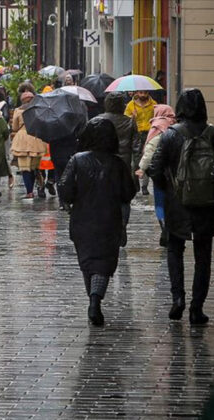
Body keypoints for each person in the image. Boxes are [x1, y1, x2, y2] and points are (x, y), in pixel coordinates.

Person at [148, 88, 214, 324]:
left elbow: (154, 168)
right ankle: (196, 308)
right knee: (203, 255)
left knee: (174, 248)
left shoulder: (171, 134)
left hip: (177, 202)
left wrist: (169, 188)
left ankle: (177, 298)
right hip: (206, 202)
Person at [58, 117, 136, 326]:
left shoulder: (77, 159)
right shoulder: (117, 163)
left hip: (82, 219)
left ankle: (93, 299)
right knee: (103, 263)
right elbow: (128, 192)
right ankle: (95, 300)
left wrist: (74, 197)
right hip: (109, 220)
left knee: (87, 262)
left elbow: (65, 189)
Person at [99, 91, 139, 244]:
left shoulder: (98, 120)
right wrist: (137, 170)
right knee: (124, 199)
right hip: (124, 165)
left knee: (104, 198)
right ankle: (122, 225)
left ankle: (108, 227)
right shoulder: (130, 122)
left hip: (102, 166)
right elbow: (136, 148)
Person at [137, 105, 176, 246]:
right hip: (174, 172)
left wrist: (142, 168)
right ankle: (172, 227)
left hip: (159, 172)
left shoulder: (157, 126)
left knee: (159, 201)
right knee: (172, 200)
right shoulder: (175, 126)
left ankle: (164, 226)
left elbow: (150, 150)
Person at [10, 92, 47, 199]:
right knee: (35, 167)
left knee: (25, 168)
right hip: (36, 138)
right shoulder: (39, 110)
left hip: (22, 140)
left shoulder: (18, 111)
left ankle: (29, 192)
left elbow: (15, 127)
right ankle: (40, 185)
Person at [125, 90, 158, 195]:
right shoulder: (131, 105)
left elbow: (157, 118)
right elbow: (125, 120)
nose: (143, 95)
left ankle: (144, 186)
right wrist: (133, 117)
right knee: (136, 161)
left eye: (145, 93)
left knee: (147, 159)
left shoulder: (154, 104)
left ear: (148, 93)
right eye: (140, 93)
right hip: (137, 134)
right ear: (137, 93)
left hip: (149, 133)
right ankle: (136, 186)